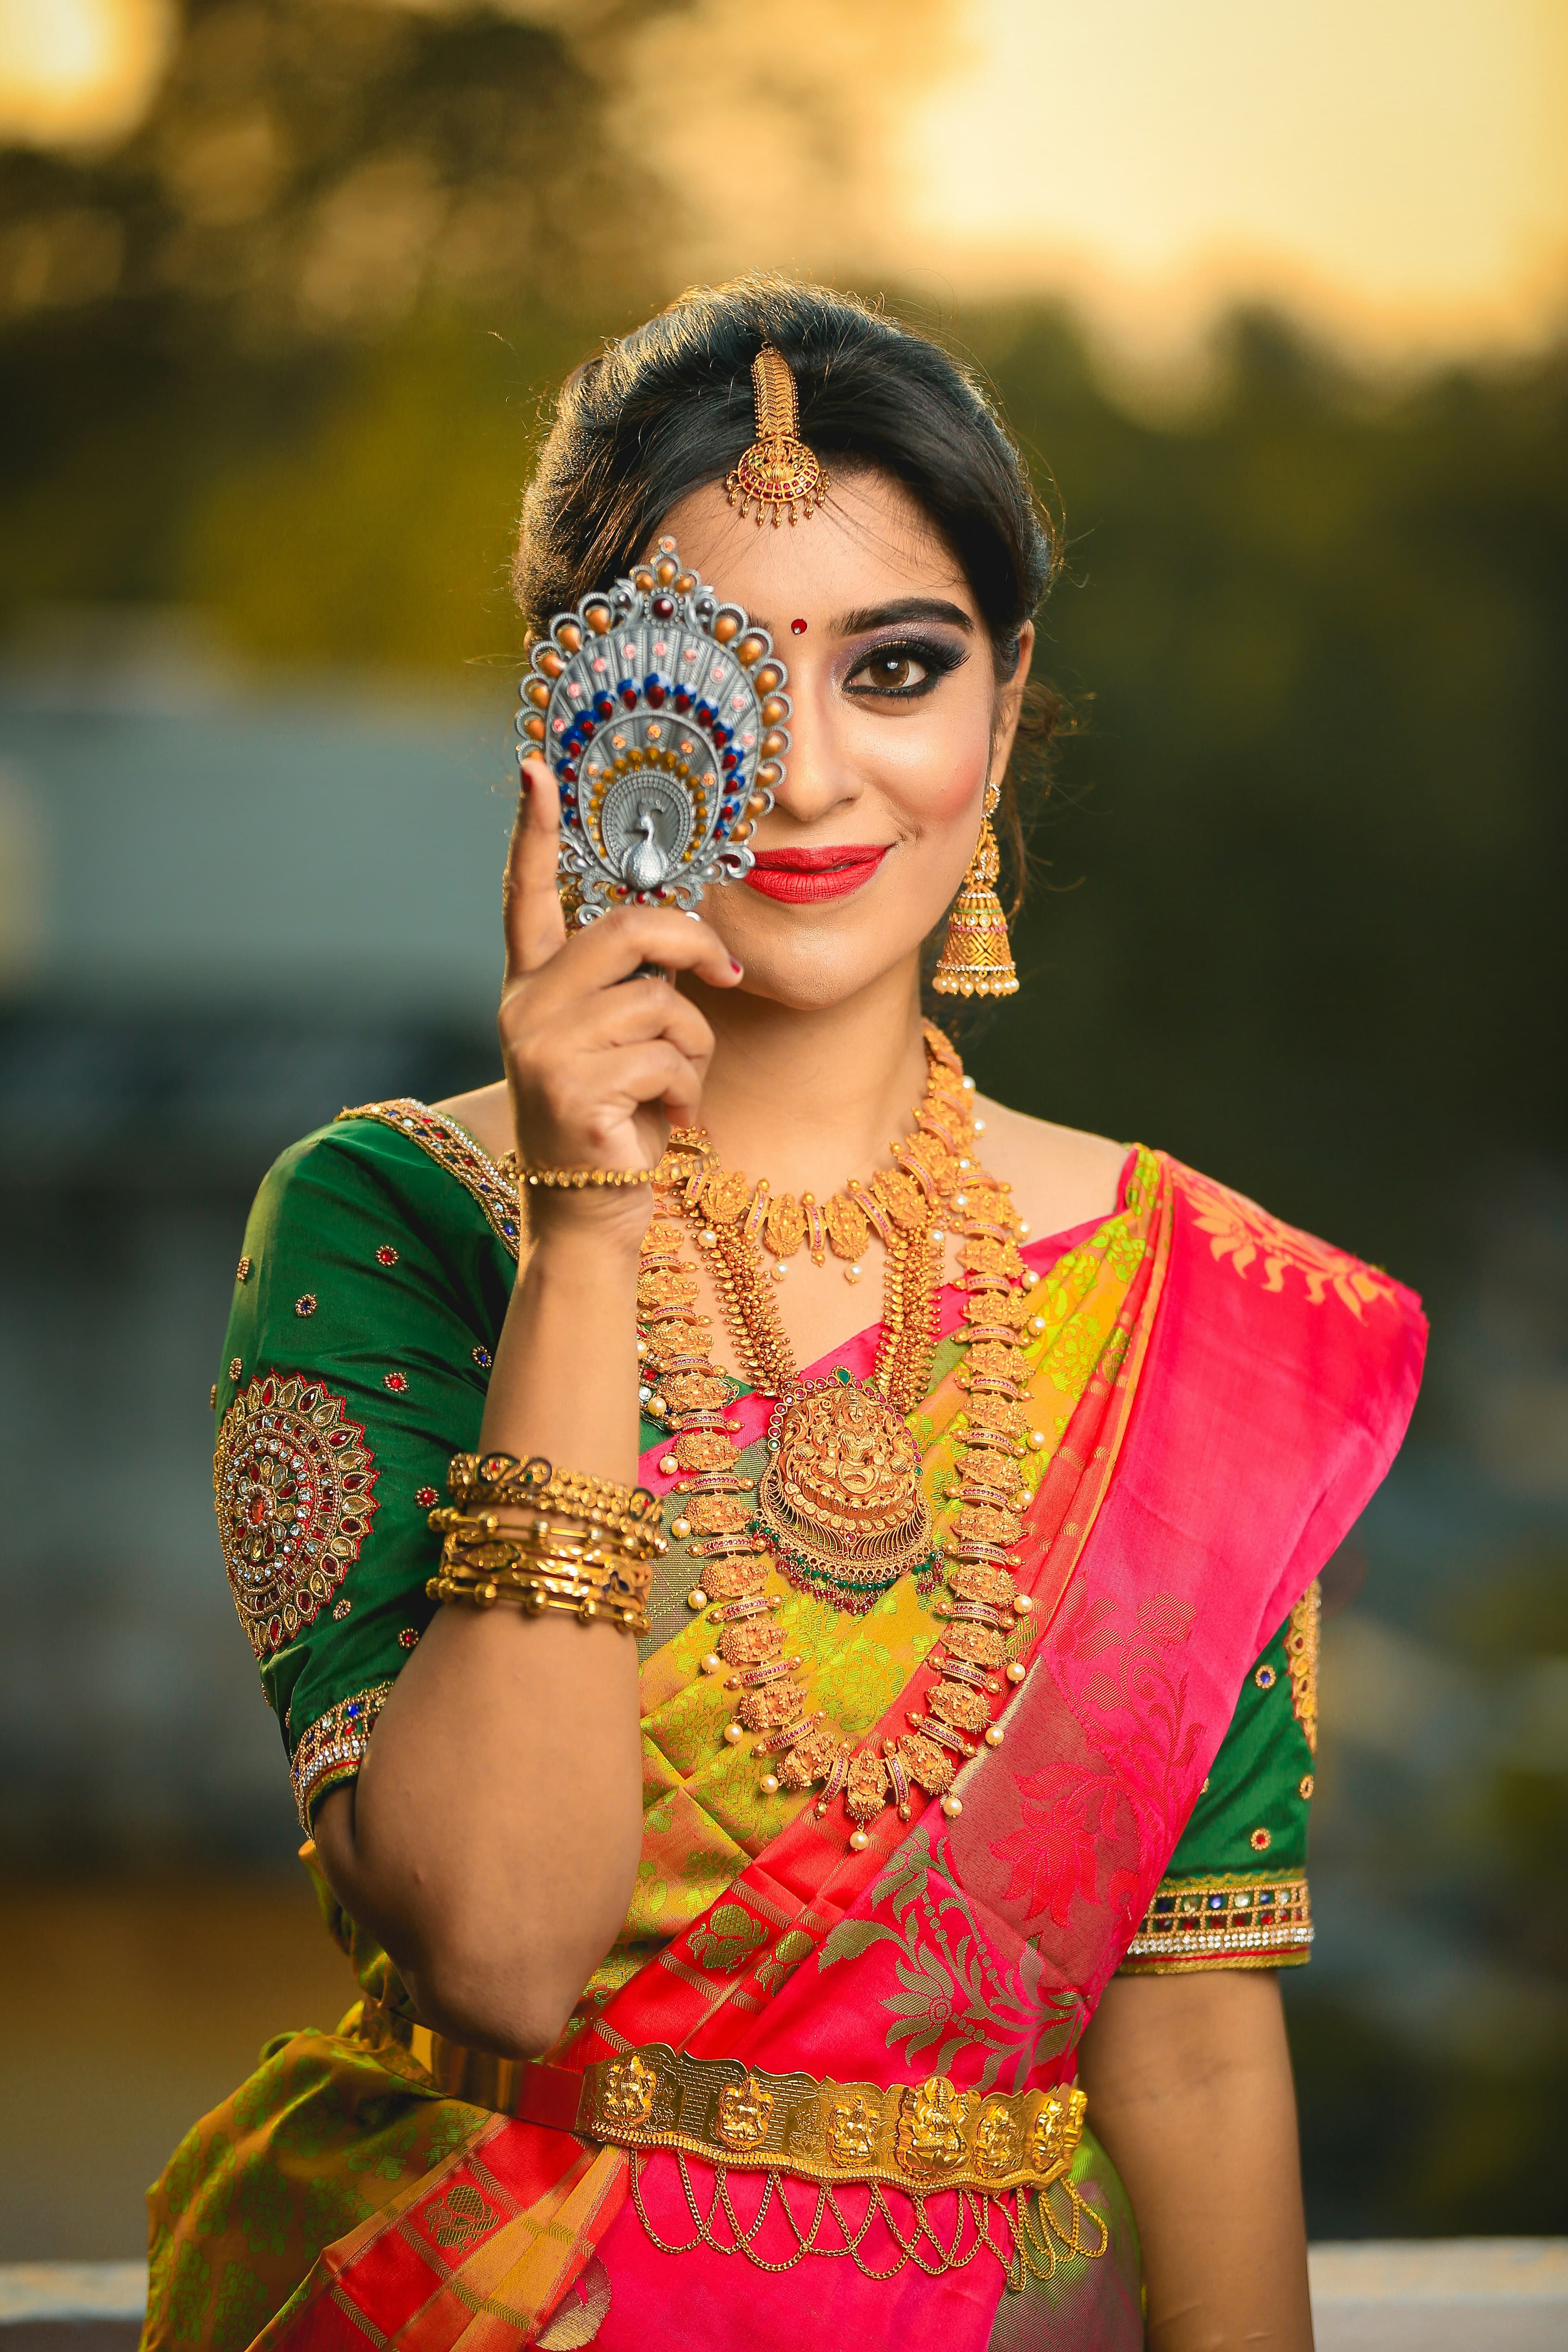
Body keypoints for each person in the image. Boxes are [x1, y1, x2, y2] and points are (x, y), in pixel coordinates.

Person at [143, 276, 1425, 2352]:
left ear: (1004, 707)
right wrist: (586, 1231)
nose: (814, 774)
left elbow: (1191, 2048)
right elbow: (499, 1946)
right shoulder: (394, 1221)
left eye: (897, 668)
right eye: (713, 682)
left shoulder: (1205, 1305)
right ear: (574, 723)